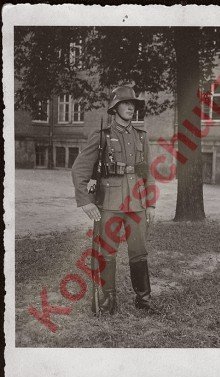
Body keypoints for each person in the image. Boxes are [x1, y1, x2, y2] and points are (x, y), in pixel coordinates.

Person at [72, 86, 157, 315]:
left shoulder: (142, 136)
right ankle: (109, 301)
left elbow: (147, 172)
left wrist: (151, 203)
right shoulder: (102, 136)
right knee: (108, 253)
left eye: (134, 104)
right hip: (109, 204)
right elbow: (79, 169)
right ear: (115, 107)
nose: (131, 108)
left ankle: (144, 300)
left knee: (139, 252)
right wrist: (86, 201)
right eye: (126, 103)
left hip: (137, 204)